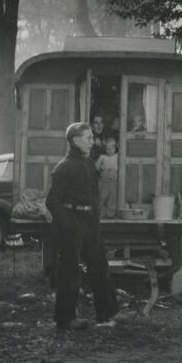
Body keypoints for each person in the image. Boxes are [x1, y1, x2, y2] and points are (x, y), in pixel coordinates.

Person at [45, 122, 119, 330]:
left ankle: (106, 314)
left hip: (90, 223)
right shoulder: (64, 167)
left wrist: (94, 220)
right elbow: (52, 202)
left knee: (100, 266)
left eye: (92, 138)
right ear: (76, 140)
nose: (92, 142)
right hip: (72, 224)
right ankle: (65, 319)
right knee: (70, 271)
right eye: (88, 138)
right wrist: (70, 224)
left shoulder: (89, 164)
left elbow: (93, 195)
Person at [95, 137, 119, 218]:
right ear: (104, 149)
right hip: (104, 180)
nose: (110, 150)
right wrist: (101, 169)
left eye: (112, 148)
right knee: (102, 196)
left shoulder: (117, 156)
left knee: (113, 197)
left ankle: (110, 214)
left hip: (114, 179)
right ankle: (100, 213)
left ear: (115, 148)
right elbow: (96, 166)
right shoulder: (102, 157)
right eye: (108, 149)